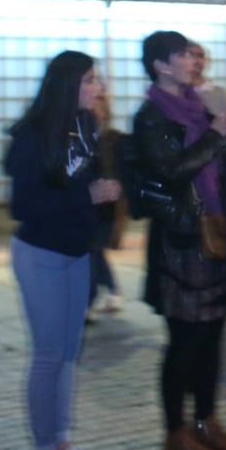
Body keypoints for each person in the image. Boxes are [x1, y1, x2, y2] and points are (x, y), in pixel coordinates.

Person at [131, 31, 226, 450]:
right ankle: (176, 434)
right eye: (184, 55)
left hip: (219, 232)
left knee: (213, 338)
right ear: (160, 65)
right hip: (181, 242)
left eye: (195, 54)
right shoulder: (150, 116)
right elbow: (167, 173)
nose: (194, 61)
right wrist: (215, 137)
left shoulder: (204, 108)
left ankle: (207, 422)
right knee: (183, 343)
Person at [6, 51, 120, 450]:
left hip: (78, 252)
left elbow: (84, 185)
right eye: (92, 79)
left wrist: (101, 195)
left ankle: (62, 445)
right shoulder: (32, 136)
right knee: (49, 353)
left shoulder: (86, 126)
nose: (99, 87)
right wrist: (87, 197)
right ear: (68, 83)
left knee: (70, 353)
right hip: (40, 254)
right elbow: (23, 206)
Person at [86, 91, 124, 320]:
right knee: (94, 251)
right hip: (84, 206)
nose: (95, 110)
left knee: (92, 251)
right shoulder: (77, 137)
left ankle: (88, 302)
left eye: (99, 105)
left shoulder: (112, 139)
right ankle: (112, 291)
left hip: (106, 208)